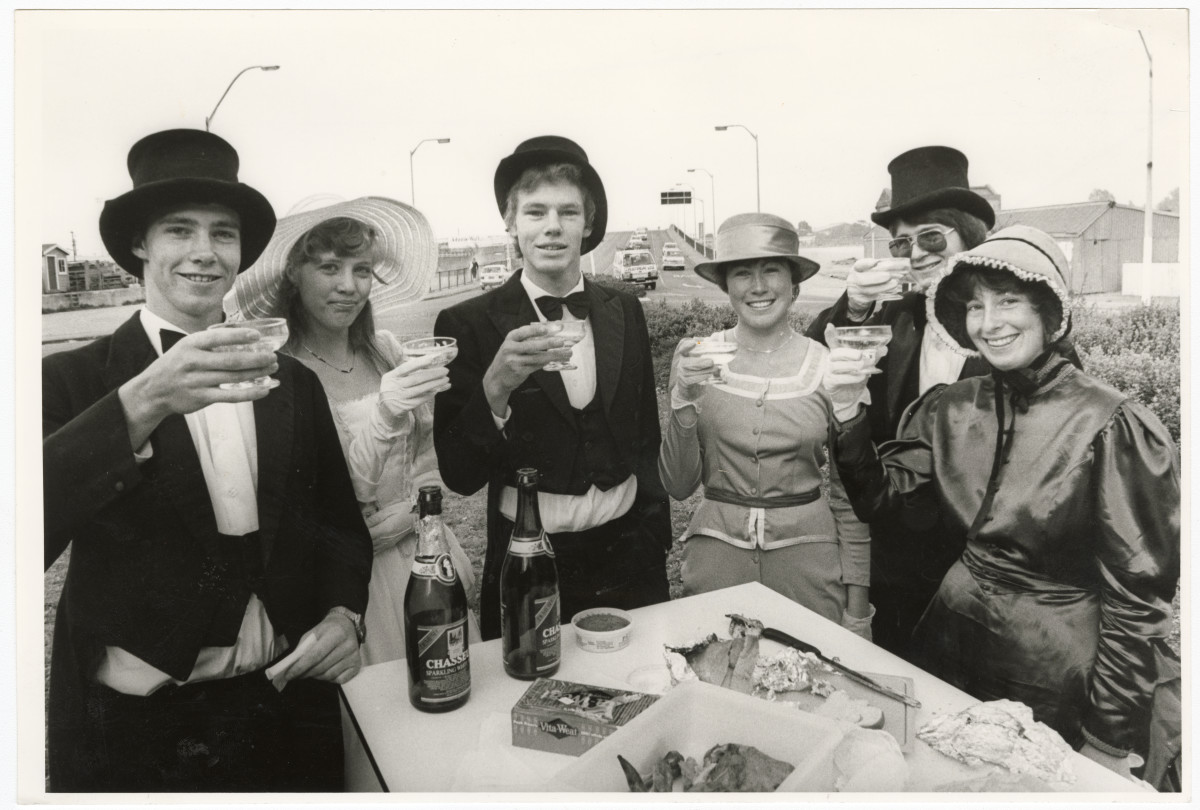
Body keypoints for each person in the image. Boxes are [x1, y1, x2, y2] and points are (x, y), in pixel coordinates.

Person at [42, 129, 372, 791]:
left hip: (288, 713)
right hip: (142, 733)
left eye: (223, 234)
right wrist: (142, 402)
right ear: (140, 244)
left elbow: (338, 523)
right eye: (178, 231)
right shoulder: (71, 382)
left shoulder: (292, 381)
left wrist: (345, 614)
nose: (203, 253)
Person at [826, 225, 1179, 776]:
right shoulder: (951, 406)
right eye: (975, 306)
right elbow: (887, 502)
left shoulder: (1110, 424)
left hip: (1057, 671)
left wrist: (1107, 741)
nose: (989, 323)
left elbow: (1138, 600)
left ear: (1049, 313)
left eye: (1009, 301)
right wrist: (848, 411)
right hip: (947, 643)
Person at [433, 135, 671, 640]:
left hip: (630, 553)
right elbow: (459, 474)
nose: (553, 228)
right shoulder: (467, 323)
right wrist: (494, 388)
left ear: (588, 224)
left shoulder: (623, 309)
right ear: (510, 221)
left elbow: (645, 435)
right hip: (529, 559)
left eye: (568, 212)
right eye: (535, 212)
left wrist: (656, 539)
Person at [226, 196, 478, 664]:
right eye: (328, 268)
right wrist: (383, 414)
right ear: (292, 276)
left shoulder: (386, 351)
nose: (348, 286)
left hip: (424, 558)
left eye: (361, 270)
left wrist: (420, 517)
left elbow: (426, 460)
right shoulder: (280, 375)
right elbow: (317, 503)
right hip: (351, 586)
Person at [806, 146, 997, 657]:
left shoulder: (1012, 328)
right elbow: (819, 344)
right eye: (900, 244)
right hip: (901, 556)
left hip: (989, 572)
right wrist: (856, 303)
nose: (915, 254)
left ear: (969, 235)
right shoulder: (899, 316)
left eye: (931, 237)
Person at [658, 214, 871, 634]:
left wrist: (858, 611)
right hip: (716, 566)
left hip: (809, 567)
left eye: (771, 269)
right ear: (725, 285)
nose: (758, 287)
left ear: (794, 283)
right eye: (742, 273)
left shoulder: (829, 366)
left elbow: (851, 499)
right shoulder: (696, 358)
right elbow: (679, 485)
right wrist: (683, 400)